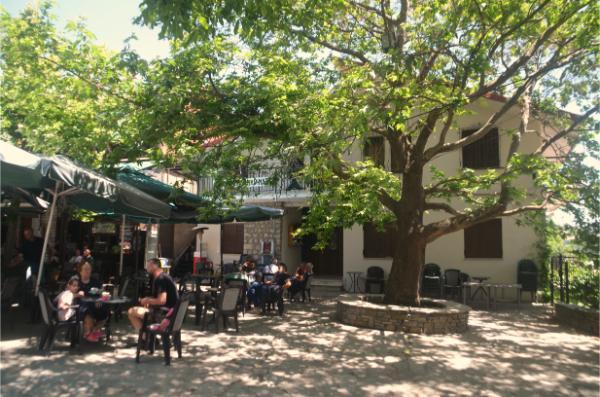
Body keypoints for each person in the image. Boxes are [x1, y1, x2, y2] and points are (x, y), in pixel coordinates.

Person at [127, 258, 179, 331]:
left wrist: (147, 300)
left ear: (155, 266)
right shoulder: (165, 276)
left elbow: (162, 300)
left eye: (149, 265)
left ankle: (144, 338)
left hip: (164, 315)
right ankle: (149, 338)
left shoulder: (160, 279)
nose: (147, 268)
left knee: (131, 312)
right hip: (171, 313)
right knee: (141, 311)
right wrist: (149, 301)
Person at [77, 261, 108, 342]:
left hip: (95, 304)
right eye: (85, 269)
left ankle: (94, 330)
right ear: (80, 270)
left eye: (89, 269)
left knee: (105, 308)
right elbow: (68, 292)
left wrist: (100, 298)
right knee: (86, 309)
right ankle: (89, 332)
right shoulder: (76, 281)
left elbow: (102, 292)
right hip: (80, 306)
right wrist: (77, 294)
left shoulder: (95, 281)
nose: (88, 271)